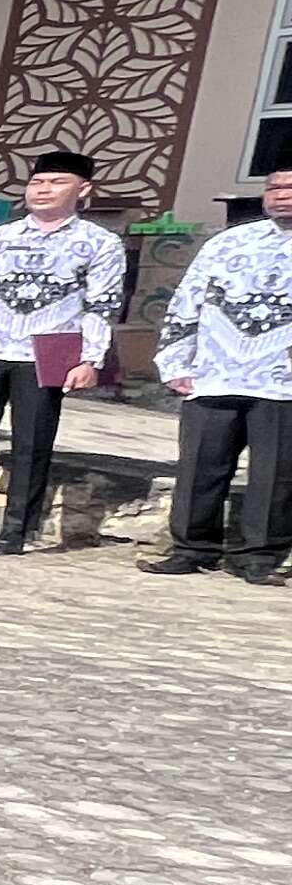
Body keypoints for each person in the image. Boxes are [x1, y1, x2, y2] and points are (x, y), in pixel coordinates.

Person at [0, 149, 128, 555]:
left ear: (83, 189)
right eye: (37, 182)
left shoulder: (100, 243)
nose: (43, 189)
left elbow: (102, 305)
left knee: (32, 443)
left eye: (56, 182)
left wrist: (91, 358)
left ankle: (16, 530)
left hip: (46, 352)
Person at [141, 161, 292, 584]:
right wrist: (175, 360)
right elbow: (186, 302)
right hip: (215, 372)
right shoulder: (228, 243)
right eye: (275, 187)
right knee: (199, 468)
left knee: (276, 475)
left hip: (282, 381)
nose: (282, 195)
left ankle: (259, 558)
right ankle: (192, 549)